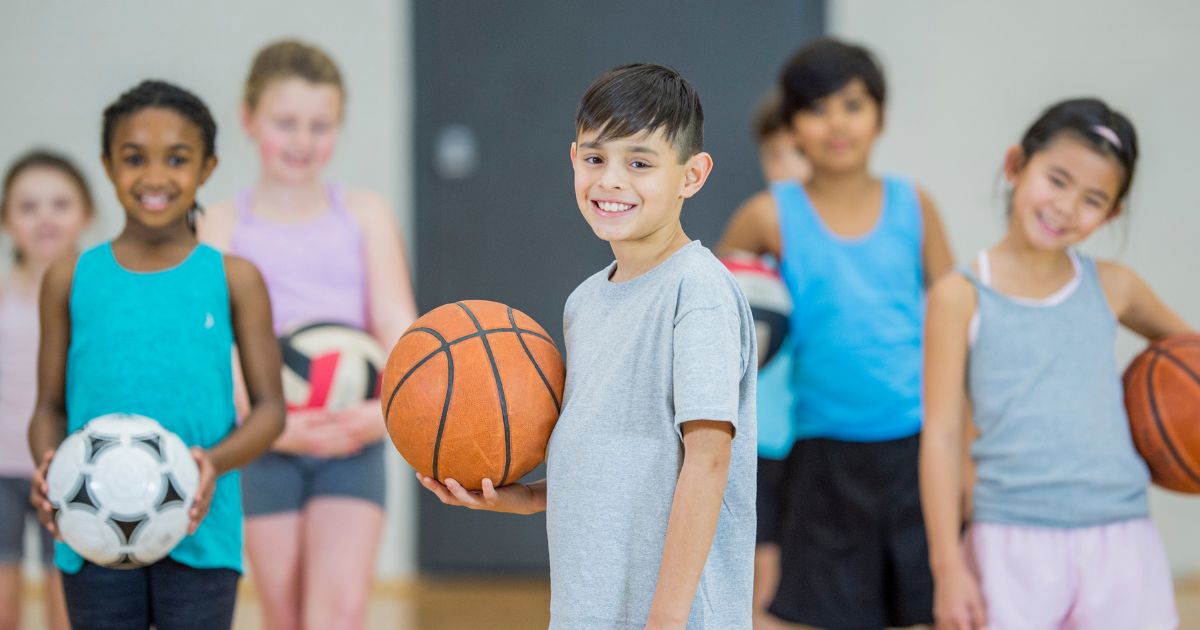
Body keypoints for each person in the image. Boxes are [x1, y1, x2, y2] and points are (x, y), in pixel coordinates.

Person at [418, 63, 758, 629]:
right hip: (588, 609)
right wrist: (523, 499)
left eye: (640, 163)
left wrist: (667, 619)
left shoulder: (697, 290)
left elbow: (707, 461)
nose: (610, 180)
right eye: (595, 158)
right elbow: (615, 458)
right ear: (572, 158)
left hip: (676, 617)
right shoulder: (584, 304)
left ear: (692, 176)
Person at [27, 79, 285, 630]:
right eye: (134, 158)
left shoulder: (235, 279)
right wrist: (51, 470)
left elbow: (270, 411)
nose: (154, 177)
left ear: (207, 168)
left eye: (176, 159)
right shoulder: (69, 278)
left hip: (202, 529)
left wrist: (212, 463)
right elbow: (48, 406)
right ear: (107, 164)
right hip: (90, 528)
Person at [921, 97, 1186, 630]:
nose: (1066, 207)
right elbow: (943, 438)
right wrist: (948, 568)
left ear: (1112, 214)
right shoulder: (960, 295)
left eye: (1093, 199)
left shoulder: (1115, 286)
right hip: (1009, 540)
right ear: (1016, 165)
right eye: (1057, 180)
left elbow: (1190, 354)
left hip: (1122, 537)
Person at [718, 37, 954, 628]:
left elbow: (958, 323)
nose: (836, 123)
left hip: (916, 445)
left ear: (880, 115)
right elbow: (713, 314)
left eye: (851, 104)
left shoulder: (913, 206)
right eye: (816, 109)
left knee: (919, 610)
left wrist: (965, 450)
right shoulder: (768, 214)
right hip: (821, 452)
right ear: (792, 126)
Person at [197, 39, 417, 630]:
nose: (302, 140)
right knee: (285, 613)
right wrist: (275, 424)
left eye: (320, 125)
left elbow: (398, 323)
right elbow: (220, 349)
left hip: (354, 436)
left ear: (338, 127)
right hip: (265, 441)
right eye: (285, 122)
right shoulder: (220, 225)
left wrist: (388, 413)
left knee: (338, 614)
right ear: (248, 120)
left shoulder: (365, 215)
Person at [721, 88, 809, 630]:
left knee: (792, 554)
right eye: (777, 155)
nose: (790, 168)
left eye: (799, 152)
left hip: (809, 425)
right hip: (759, 429)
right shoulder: (755, 232)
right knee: (759, 552)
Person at [0, 150, 93, 630]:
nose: (45, 217)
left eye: (59, 203)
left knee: (69, 606)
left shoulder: (98, 299)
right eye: (28, 206)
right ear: (7, 220)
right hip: (2, 472)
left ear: (86, 214)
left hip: (74, 473)